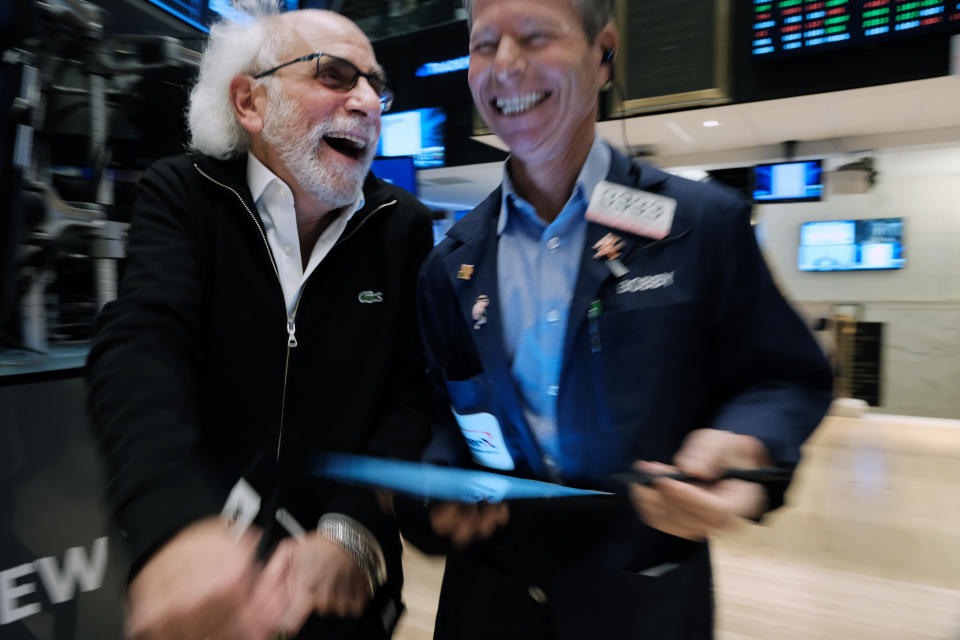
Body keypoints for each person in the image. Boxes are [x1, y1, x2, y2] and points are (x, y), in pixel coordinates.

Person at [403, 0, 834, 637]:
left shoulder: (698, 224)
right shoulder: (452, 262)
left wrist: (742, 442)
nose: (505, 67)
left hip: (641, 602)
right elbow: (439, 408)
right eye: (484, 44)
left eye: (535, 37)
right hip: (489, 601)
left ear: (603, 53)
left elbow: (784, 377)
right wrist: (439, 484)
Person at [86, 8, 433, 640]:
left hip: (343, 607)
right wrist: (174, 526)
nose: (366, 101)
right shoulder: (183, 195)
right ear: (250, 101)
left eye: (375, 85)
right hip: (214, 595)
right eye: (335, 74)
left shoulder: (403, 227)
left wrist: (352, 530)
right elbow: (141, 346)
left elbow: (412, 396)